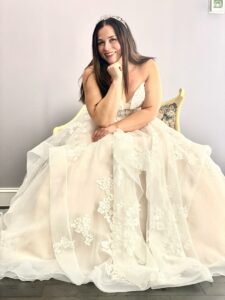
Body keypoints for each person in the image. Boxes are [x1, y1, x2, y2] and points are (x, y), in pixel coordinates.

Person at [0, 15, 225, 293]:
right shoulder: (92, 73)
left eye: (112, 40)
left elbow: (149, 110)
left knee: (185, 162)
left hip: (139, 129)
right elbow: (102, 119)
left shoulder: (148, 66)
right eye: (100, 43)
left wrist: (118, 128)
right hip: (100, 131)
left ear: (124, 39)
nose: (107, 47)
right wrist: (116, 79)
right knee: (91, 162)